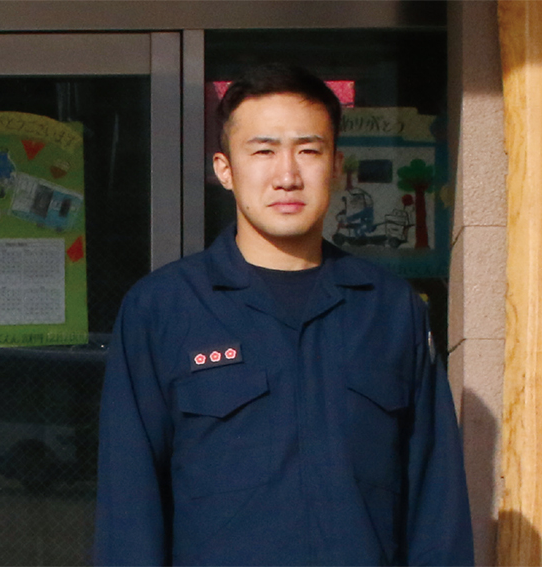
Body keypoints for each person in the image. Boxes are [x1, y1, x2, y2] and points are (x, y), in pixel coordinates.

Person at [94, 63, 473, 566]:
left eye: (308, 150)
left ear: (335, 165)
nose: (287, 175)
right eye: (264, 150)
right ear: (224, 169)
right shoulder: (163, 309)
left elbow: (435, 500)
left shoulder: (390, 309)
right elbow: (129, 505)